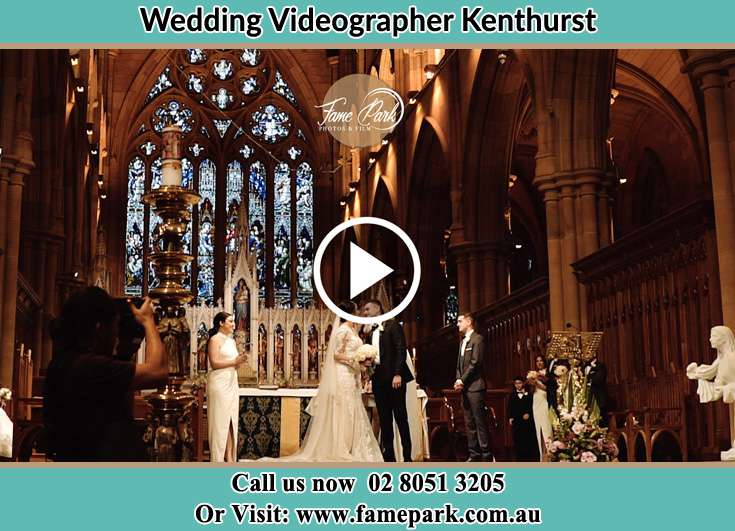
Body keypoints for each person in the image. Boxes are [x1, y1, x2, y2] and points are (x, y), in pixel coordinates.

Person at [43, 287, 167, 461]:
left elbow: (116, 401)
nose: (117, 334)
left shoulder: (63, 361)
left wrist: (126, 350)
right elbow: (158, 372)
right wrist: (148, 321)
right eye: (115, 326)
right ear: (100, 329)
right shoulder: (90, 367)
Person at [264, 301, 383, 462]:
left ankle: (351, 445)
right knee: (343, 410)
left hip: (352, 375)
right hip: (343, 375)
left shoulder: (353, 331)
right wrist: (355, 358)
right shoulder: (343, 331)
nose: (359, 313)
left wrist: (362, 362)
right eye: (356, 311)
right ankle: (341, 446)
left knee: (352, 409)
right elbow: (335, 355)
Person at [362, 299, 413, 462]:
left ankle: (407, 456)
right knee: (384, 418)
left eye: (367, 309)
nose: (365, 313)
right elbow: (372, 356)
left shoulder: (392, 326)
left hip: (394, 378)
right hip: (379, 379)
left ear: (377, 309)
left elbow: (400, 349)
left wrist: (398, 374)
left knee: (400, 417)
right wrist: (368, 371)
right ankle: (389, 456)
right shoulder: (370, 332)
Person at [207, 312, 247, 462]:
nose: (234, 324)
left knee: (230, 420)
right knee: (219, 421)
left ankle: (229, 457)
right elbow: (215, 363)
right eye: (230, 321)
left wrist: (239, 362)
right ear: (221, 323)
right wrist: (235, 362)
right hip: (219, 383)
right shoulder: (215, 340)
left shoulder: (231, 342)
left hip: (231, 382)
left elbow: (233, 364)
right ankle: (217, 458)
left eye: (234, 321)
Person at [454, 312, 493, 462]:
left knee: (479, 422)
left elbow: (475, 363)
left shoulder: (478, 339)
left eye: (460, 321)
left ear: (469, 322)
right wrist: (458, 379)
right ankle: (474, 454)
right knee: (468, 422)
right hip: (464, 387)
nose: (457, 324)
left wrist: (461, 380)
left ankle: (486, 455)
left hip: (475, 386)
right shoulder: (462, 341)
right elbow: (459, 364)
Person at [527, 355, 553, 459]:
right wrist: (532, 384)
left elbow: (549, 389)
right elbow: (532, 391)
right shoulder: (533, 373)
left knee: (546, 427)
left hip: (545, 400)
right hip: (536, 401)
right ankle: (541, 455)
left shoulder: (548, 373)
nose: (539, 363)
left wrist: (537, 383)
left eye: (541, 361)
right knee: (538, 428)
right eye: (537, 361)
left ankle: (550, 453)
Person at [508, 376, 539, 462]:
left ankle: (529, 455)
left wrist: (529, 414)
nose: (518, 385)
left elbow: (532, 406)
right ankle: (519, 456)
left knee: (527, 437)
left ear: (523, 384)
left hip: (527, 420)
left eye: (520, 383)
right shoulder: (512, 395)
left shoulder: (529, 394)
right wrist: (510, 417)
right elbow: (510, 407)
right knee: (518, 438)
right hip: (517, 420)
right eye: (516, 384)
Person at [585, 354, 609, 426]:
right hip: (587, 397)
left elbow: (599, 379)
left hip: (598, 396)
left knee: (600, 418)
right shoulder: (584, 366)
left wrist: (589, 377)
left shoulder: (600, 366)